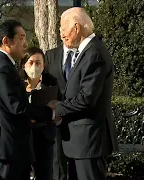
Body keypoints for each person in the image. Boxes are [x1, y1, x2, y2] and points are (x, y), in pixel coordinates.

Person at [47, 7, 119, 180]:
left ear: (76, 27)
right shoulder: (88, 51)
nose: (62, 35)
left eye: (64, 30)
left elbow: (87, 98)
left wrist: (58, 108)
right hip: (80, 142)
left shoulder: (94, 53)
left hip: (89, 141)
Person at [0, 20, 55, 180]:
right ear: (6, 41)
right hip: (10, 146)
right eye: (21, 38)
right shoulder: (3, 68)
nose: (25, 43)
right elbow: (17, 107)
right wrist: (50, 112)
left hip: (11, 146)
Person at [18, 46, 58, 180]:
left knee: (44, 175)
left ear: (44, 65)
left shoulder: (51, 83)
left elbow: (57, 107)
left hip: (44, 138)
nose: (34, 66)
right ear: (24, 65)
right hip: (22, 138)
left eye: (38, 62)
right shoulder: (17, 85)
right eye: (31, 62)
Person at [45, 44, 76, 180]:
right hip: (56, 119)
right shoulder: (51, 55)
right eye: (61, 29)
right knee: (58, 168)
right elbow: (46, 85)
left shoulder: (86, 54)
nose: (63, 33)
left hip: (79, 120)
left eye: (66, 28)